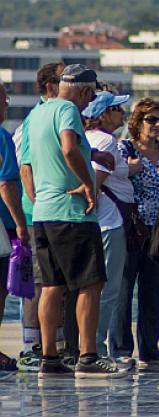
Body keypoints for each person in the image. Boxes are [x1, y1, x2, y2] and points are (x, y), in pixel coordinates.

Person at [25, 64, 125, 378]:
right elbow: (69, 148)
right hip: (72, 213)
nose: (89, 102)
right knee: (90, 283)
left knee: (52, 286)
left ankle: (50, 358)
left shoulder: (37, 113)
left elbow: (30, 161)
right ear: (82, 90)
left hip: (44, 213)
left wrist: (91, 158)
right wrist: (88, 185)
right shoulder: (68, 109)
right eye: (90, 95)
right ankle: (88, 355)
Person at [113, 98, 159, 370]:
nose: (157, 125)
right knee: (124, 289)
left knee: (152, 290)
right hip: (131, 228)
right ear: (137, 122)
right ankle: (121, 349)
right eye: (151, 119)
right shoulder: (125, 149)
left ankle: (150, 350)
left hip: (158, 228)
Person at [14, 62, 65, 372]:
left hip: (49, 211)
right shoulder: (36, 119)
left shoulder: (56, 115)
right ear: (50, 87)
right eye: (64, 80)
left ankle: (55, 343)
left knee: (54, 280)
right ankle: (32, 346)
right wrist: (38, 203)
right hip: (38, 214)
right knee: (38, 281)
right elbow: (24, 169)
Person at [81, 91, 134, 365]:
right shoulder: (106, 141)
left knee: (89, 287)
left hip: (94, 224)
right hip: (110, 223)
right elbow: (96, 181)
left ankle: (88, 345)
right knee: (108, 289)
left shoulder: (87, 139)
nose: (122, 114)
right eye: (117, 109)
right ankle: (97, 348)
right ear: (103, 113)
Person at [0, 81, 29, 374]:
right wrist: (21, 224)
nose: (7, 104)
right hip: (3, 225)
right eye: (4, 99)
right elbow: (7, 183)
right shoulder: (1, 138)